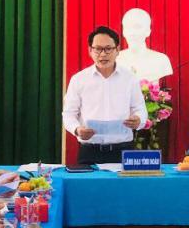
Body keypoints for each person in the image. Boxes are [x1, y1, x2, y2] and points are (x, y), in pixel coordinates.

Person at [62, 25, 149, 165]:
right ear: (90, 50)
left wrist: (138, 120)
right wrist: (77, 130)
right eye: (98, 49)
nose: (103, 54)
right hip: (90, 151)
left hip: (123, 151)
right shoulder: (79, 79)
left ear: (117, 50)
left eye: (108, 49)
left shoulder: (130, 78)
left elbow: (140, 109)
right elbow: (68, 114)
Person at [119, 7, 173, 82]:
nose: (132, 33)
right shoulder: (115, 60)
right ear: (123, 32)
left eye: (137, 27)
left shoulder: (161, 60)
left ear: (148, 31)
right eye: (128, 27)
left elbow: (168, 91)